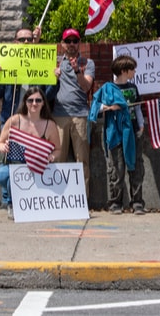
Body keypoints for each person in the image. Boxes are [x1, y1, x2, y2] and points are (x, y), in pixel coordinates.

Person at [89, 55, 145, 215]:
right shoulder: (107, 88)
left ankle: (137, 202)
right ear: (123, 71)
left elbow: (138, 108)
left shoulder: (133, 88)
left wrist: (141, 126)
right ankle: (115, 202)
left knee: (136, 167)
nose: (134, 72)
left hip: (132, 131)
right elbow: (95, 106)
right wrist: (108, 108)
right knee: (116, 168)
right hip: (114, 132)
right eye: (132, 69)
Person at [0, 87, 61, 220]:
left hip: (37, 167)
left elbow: (58, 149)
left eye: (38, 100)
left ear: (43, 103)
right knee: (2, 176)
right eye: (30, 100)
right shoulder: (14, 120)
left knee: (13, 179)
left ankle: (11, 204)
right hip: (14, 164)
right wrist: (3, 147)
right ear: (25, 102)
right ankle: (12, 200)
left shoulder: (50, 125)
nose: (34, 103)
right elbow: (0, 142)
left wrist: (52, 156)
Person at [47, 28, 95, 196]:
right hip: (58, 116)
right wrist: (53, 77)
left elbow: (86, 86)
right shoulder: (53, 63)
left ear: (79, 43)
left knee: (82, 160)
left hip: (80, 115)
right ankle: (58, 199)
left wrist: (77, 71)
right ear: (62, 44)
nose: (72, 44)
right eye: (68, 41)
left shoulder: (87, 63)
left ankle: (82, 200)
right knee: (57, 159)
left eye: (75, 41)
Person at [0, 26, 42, 124]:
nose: (26, 42)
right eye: (22, 39)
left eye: (29, 39)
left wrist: (55, 79)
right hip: (10, 121)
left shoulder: (40, 64)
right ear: (15, 42)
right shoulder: (6, 64)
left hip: (34, 123)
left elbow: (49, 94)